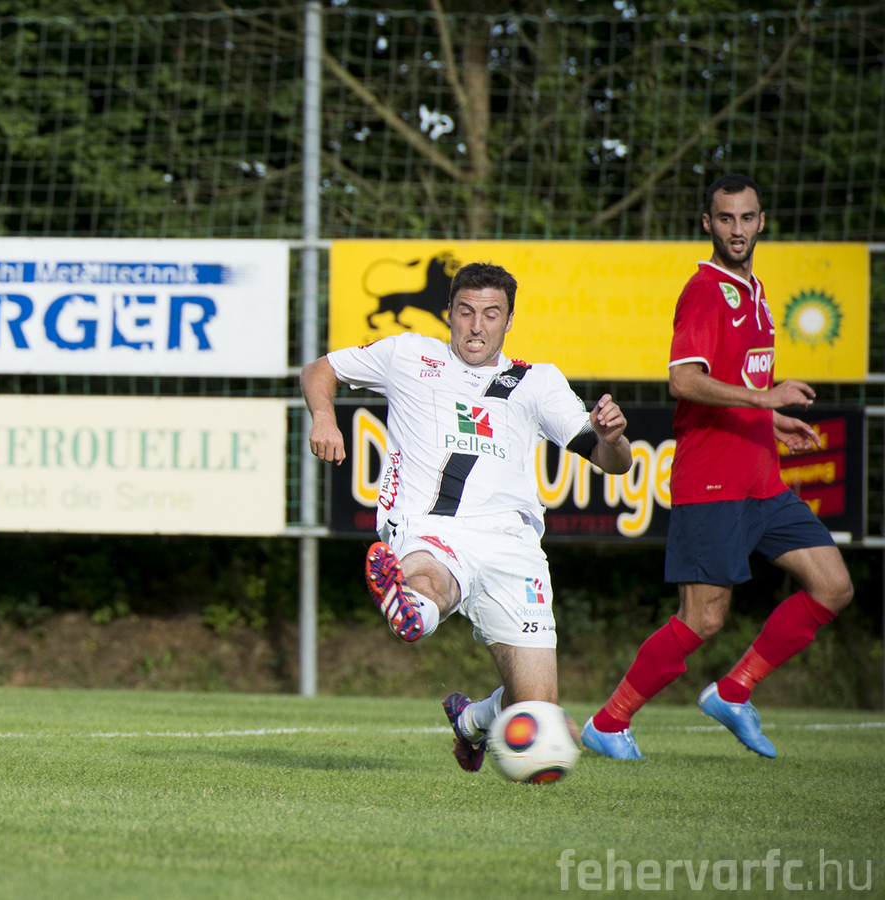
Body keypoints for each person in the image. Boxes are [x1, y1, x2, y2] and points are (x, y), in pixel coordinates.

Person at [300, 262, 633, 772]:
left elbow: (613, 463)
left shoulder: (537, 381)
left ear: (509, 320)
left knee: (538, 715)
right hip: (430, 526)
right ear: (449, 313)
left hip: (511, 544)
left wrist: (613, 438)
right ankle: (414, 608)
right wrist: (324, 416)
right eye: (466, 312)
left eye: (491, 314)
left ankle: (473, 719)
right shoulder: (408, 354)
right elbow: (319, 369)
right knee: (428, 578)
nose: (477, 326)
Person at [582, 174, 854, 760]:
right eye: (725, 218)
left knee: (833, 587)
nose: (737, 229)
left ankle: (733, 692)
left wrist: (771, 420)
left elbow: (737, 384)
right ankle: (608, 721)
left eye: (747, 218)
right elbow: (684, 380)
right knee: (703, 620)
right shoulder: (705, 291)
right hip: (712, 481)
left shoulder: (755, 290)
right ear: (708, 223)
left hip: (762, 481)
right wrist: (765, 398)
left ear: (762, 221)